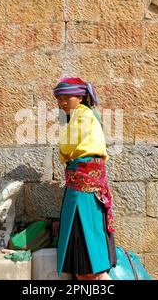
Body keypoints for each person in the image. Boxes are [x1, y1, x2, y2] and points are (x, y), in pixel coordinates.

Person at [53, 77, 116, 280]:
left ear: (80, 97)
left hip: (83, 184)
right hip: (83, 182)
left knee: (85, 230)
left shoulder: (82, 115)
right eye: (59, 99)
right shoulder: (85, 115)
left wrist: (63, 153)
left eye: (66, 98)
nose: (62, 103)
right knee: (87, 229)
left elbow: (67, 146)